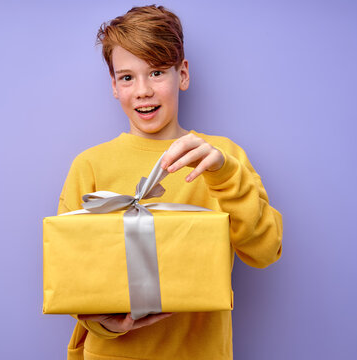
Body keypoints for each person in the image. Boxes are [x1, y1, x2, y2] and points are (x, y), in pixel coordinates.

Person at [56, 5, 283, 360]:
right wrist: (106, 324)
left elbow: (265, 251)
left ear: (183, 74)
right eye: (127, 77)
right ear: (114, 85)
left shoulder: (222, 157)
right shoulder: (89, 165)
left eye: (157, 72)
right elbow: (71, 276)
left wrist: (225, 174)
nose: (143, 90)